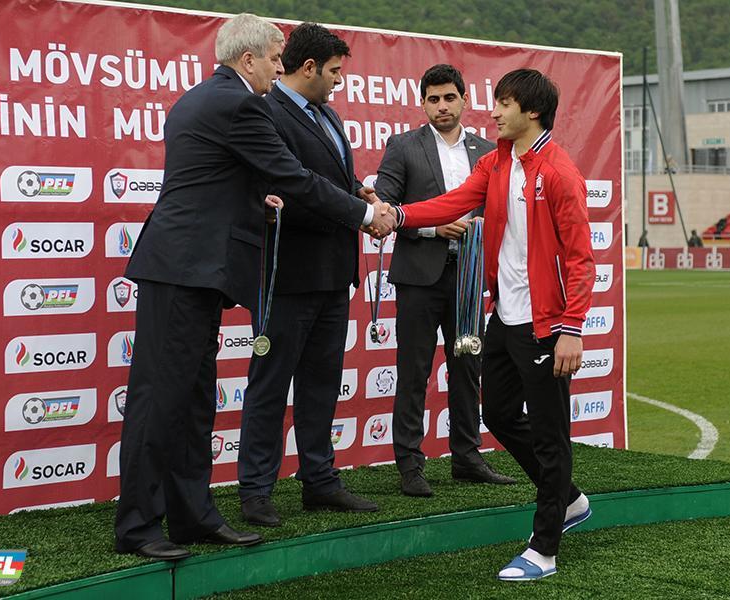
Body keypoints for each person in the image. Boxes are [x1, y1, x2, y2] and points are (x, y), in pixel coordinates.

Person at [114, 13, 395, 561]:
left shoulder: (211, 97)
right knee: (160, 401)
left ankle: (192, 516)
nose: (278, 68)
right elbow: (293, 177)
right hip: (183, 269)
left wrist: (258, 204)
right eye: (272, 59)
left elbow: (224, 181)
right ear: (248, 60)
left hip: (196, 271)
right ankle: (137, 527)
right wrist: (365, 215)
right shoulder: (238, 104)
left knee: (194, 401)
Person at [390, 69, 595, 581]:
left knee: (551, 439)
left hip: (547, 325)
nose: (494, 112)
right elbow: (454, 203)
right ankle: (568, 498)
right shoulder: (497, 161)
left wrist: (572, 327)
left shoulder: (560, 172)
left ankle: (544, 549)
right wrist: (398, 215)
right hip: (504, 317)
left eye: (504, 104)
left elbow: (580, 259)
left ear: (532, 112)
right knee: (498, 414)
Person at [237, 23, 378, 526]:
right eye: (335, 71)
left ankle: (320, 480)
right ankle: (256, 490)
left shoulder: (328, 113)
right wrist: (359, 213)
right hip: (286, 275)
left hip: (334, 274)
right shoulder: (265, 111)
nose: (340, 80)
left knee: (321, 386)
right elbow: (290, 186)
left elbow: (332, 179)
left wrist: (358, 192)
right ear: (310, 67)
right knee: (270, 387)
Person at [375, 64, 514, 497]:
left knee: (468, 368)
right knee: (413, 373)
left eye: (449, 98)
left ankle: (467, 457)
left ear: (464, 100)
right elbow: (386, 208)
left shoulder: (488, 151)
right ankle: (410, 465)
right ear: (422, 103)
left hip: (469, 276)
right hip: (419, 277)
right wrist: (433, 228)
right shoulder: (403, 146)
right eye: (433, 99)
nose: (442, 106)